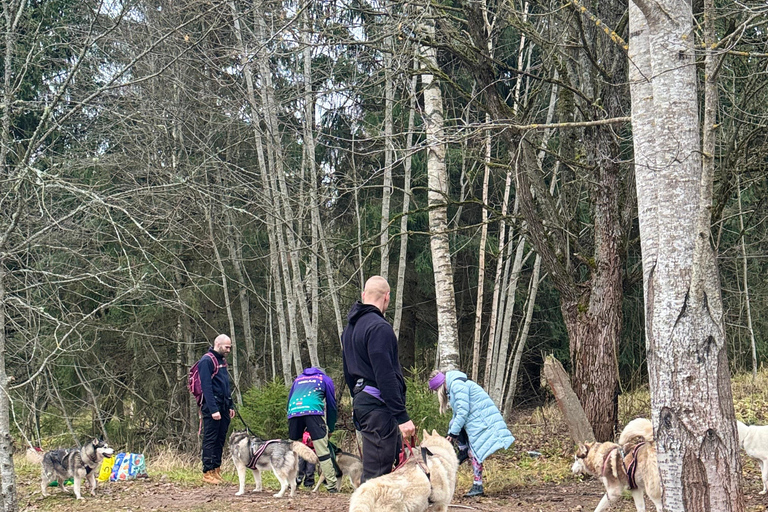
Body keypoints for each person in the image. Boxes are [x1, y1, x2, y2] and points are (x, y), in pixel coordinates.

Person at [342, 275, 416, 482]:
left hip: (365, 403)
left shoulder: (349, 330)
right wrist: (402, 417)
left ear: (364, 295)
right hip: (378, 408)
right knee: (377, 478)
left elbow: (348, 372)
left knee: (384, 469)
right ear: (387, 297)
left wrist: (358, 402)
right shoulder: (380, 328)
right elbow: (385, 375)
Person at [428, 369, 515, 497]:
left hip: (482, 421)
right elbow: (457, 415)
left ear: (439, 387)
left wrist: (452, 435)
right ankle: (463, 451)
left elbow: (463, 412)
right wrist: (451, 433)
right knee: (470, 448)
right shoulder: (455, 385)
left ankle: (477, 486)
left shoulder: (457, 385)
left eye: (436, 391)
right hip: (476, 420)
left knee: (475, 452)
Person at [287, 366, 338, 492]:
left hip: (293, 412)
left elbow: (289, 401)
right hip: (314, 411)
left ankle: (290, 482)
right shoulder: (325, 379)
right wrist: (330, 428)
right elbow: (331, 405)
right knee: (322, 450)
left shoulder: (298, 379)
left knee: (293, 449)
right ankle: (332, 485)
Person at [198, 334, 236, 484]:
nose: (228, 350)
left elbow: (225, 386)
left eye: (230, 347)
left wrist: (230, 405)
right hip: (212, 406)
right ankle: (207, 472)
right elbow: (206, 387)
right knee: (210, 438)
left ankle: (216, 469)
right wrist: (213, 409)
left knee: (220, 438)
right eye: (226, 347)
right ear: (218, 344)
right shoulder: (206, 361)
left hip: (224, 405)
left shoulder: (222, 361)